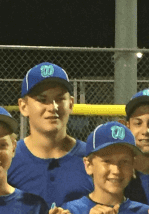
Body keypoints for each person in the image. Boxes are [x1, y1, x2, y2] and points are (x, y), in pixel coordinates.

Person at [7, 62, 93, 206]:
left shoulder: (93, 158)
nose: (53, 107)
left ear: (71, 104)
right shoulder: (7, 160)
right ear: (23, 106)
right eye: (42, 100)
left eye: (60, 99)